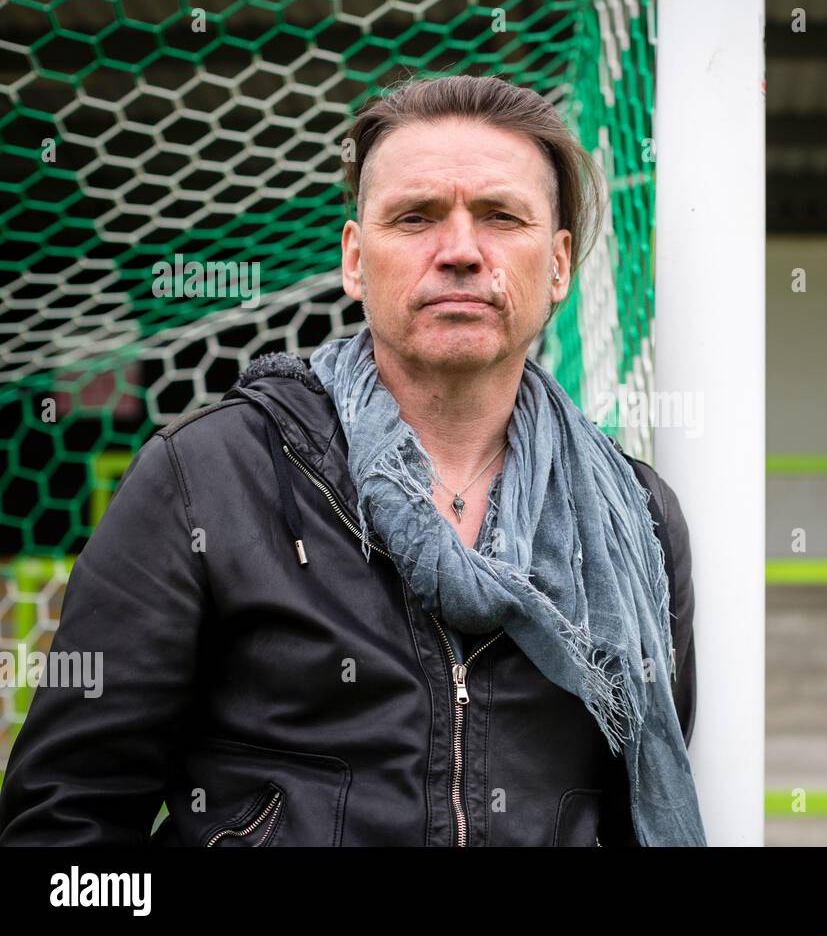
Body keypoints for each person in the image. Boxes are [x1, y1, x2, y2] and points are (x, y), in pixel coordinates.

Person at [0, 74, 705, 847]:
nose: (463, 251)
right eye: (416, 217)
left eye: (502, 217)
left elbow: (640, 811)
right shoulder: (206, 481)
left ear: (561, 264)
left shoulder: (634, 519)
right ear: (354, 259)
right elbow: (64, 823)